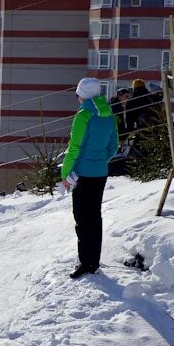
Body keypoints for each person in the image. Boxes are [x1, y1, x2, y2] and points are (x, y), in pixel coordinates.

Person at [61, 77, 119, 280]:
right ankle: (93, 260)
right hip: (100, 173)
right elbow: (114, 146)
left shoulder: (83, 115)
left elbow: (74, 148)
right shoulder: (109, 115)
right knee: (94, 216)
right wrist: (100, 161)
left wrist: (65, 175)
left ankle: (85, 262)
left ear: (82, 95)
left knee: (82, 218)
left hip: (82, 174)